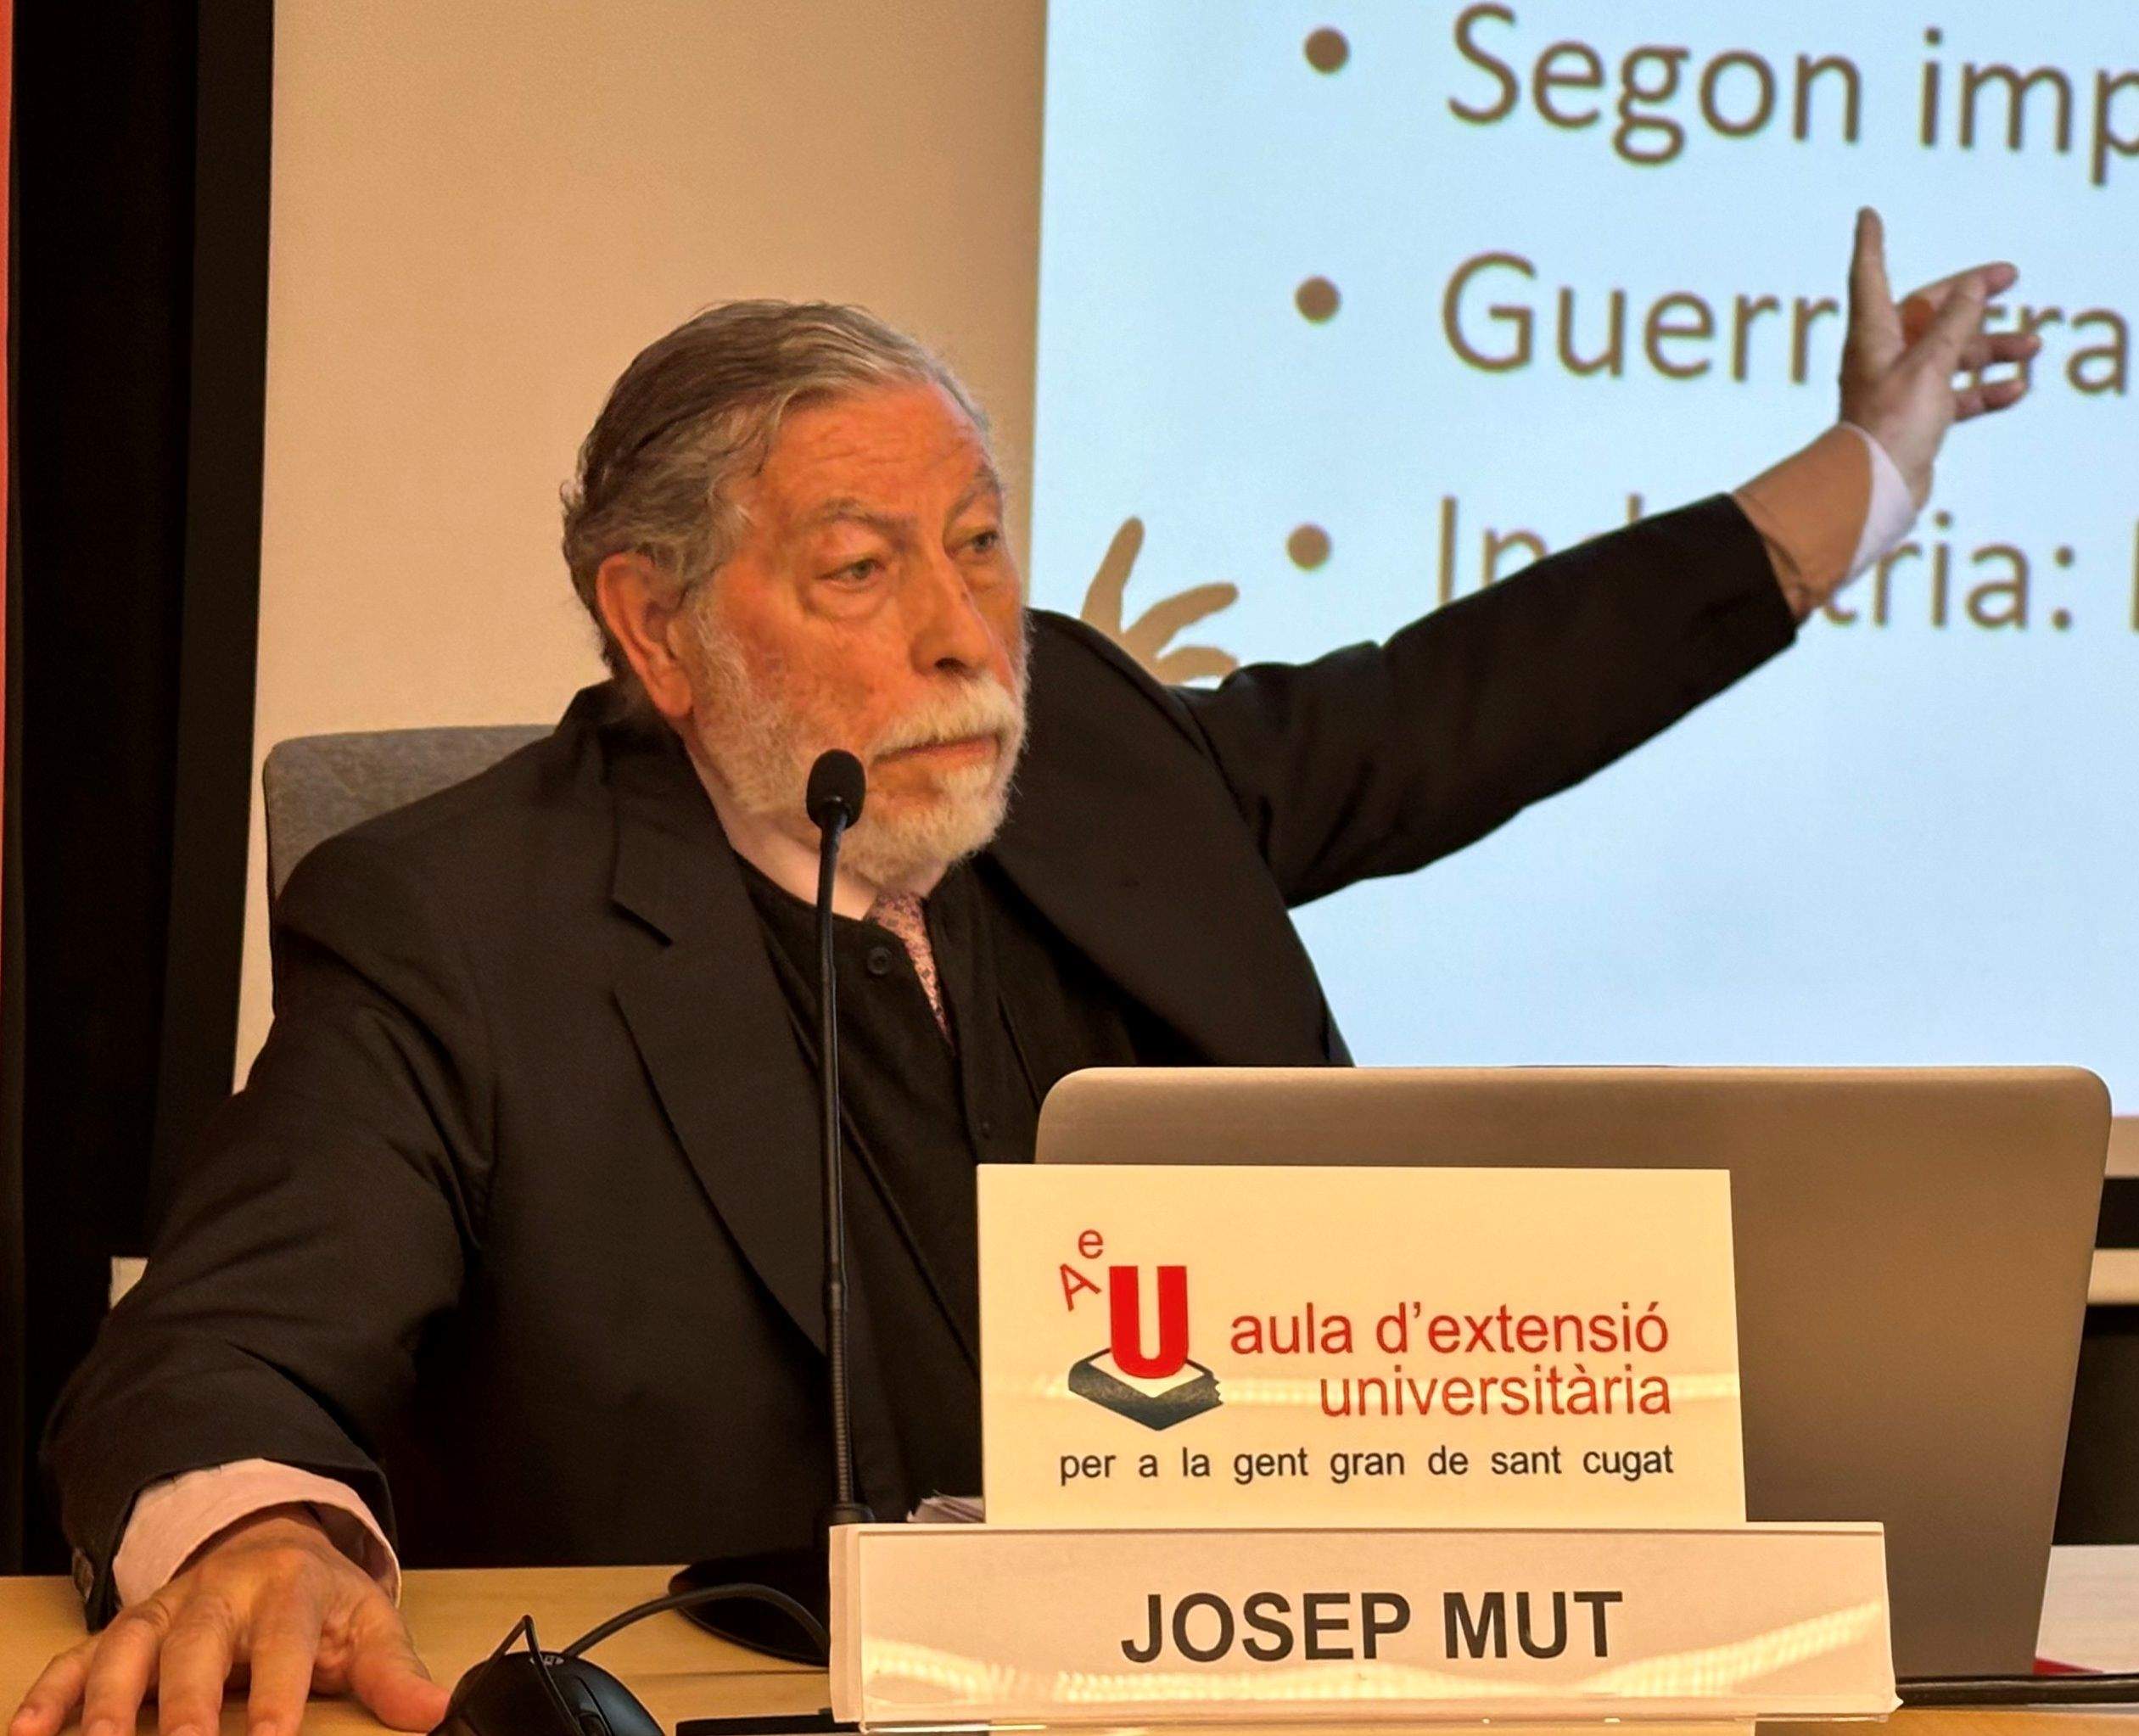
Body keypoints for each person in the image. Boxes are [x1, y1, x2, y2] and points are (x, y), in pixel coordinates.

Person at [11, 210, 2033, 1736]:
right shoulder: (458, 921)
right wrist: (268, 1532)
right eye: (862, 569)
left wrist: (1881, 465)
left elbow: (1468, 704)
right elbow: (224, 1343)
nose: (966, 632)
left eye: (978, 543)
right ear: (654, 625)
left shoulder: (1109, 766)